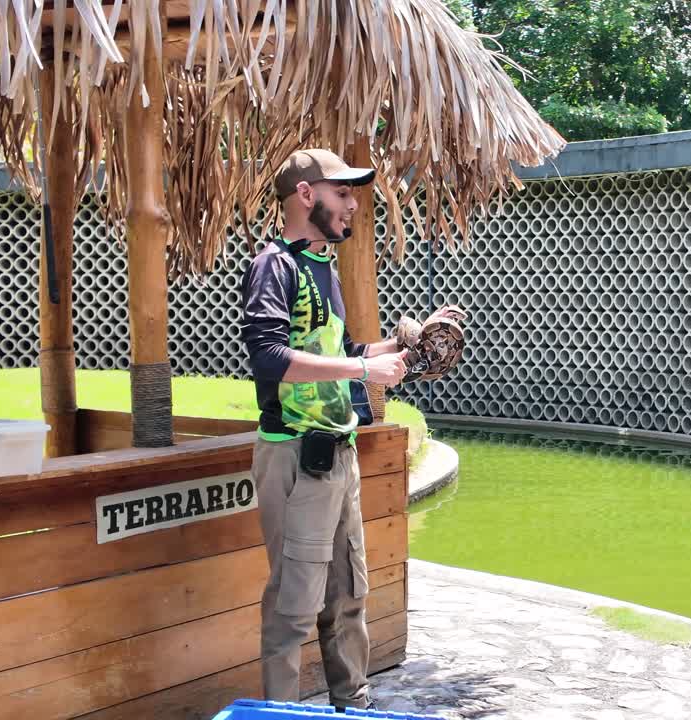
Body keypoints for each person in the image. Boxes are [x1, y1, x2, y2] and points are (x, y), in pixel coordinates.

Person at [240, 148, 443, 709]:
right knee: (293, 606)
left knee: (348, 595)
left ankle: (354, 705)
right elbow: (270, 357)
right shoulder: (273, 267)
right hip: (297, 458)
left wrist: (394, 348)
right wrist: (363, 369)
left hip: (339, 456)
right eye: (342, 193)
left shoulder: (321, 267)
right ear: (306, 195)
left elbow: (336, 350)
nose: (354, 205)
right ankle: (277, 714)